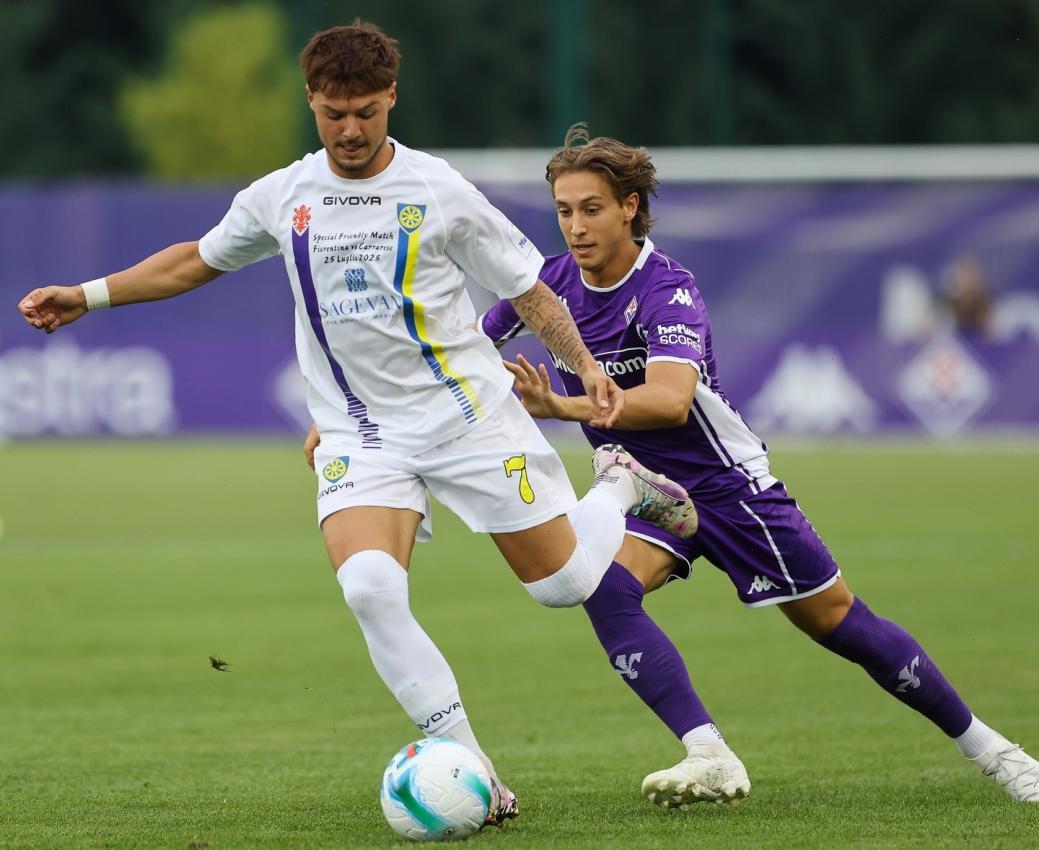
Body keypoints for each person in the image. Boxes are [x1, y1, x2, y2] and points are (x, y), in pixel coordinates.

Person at [16, 26, 699, 827]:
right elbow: (193, 260)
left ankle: (619, 487)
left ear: (391, 102)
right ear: (311, 100)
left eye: (367, 113)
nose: (350, 130)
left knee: (565, 587)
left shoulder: (437, 190)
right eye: (335, 112)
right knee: (370, 586)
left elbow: (528, 289)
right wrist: (87, 294)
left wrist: (582, 364)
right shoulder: (284, 195)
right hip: (360, 436)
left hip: (467, 419)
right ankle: (478, 776)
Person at [478, 124, 1039, 808]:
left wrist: (563, 409)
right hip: (644, 491)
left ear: (628, 205)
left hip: (725, 485)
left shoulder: (666, 288)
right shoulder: (545, 283)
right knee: (603, 589)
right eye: (564, 211)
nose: (575, 226)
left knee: (839, 623)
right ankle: (707, 752)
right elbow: (467, 345)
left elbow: (672, 401)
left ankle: (993, 750)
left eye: (590, 208)